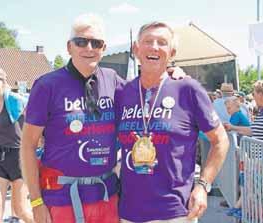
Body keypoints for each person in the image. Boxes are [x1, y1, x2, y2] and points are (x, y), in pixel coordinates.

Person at [20, 14, 186, 223]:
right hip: (61, 200)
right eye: (81, 41)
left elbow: (146, 89)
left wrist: (168, 72)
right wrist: (36, 202)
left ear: (103, 48)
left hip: (107, 198)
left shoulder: (113, 81)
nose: (89, 48)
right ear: (69, 47)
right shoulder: (47, 86)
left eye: (96, 43)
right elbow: (27, 145)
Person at [115, 21, 230, 223]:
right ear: (136, 49)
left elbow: (221, 140)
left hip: (176, 212)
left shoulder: (187, 89)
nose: (154, 47)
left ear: (172, 52)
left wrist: (203, 185)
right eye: (148, 41)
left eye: (162, 42)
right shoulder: (122, 92)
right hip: (128, 212)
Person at [0, 67, 33, 223]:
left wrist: (40, 139)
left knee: (20, 210)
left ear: (3, 82)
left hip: (19, 158)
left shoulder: (15, 100)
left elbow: (37, 115)